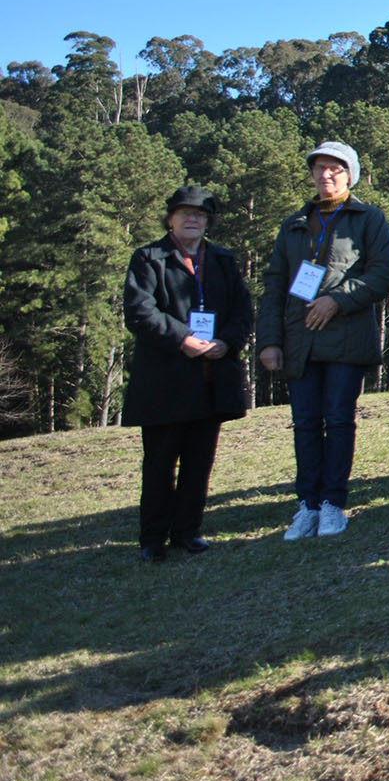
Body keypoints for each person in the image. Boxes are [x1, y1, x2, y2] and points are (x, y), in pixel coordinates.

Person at [258, 142, 389, 539]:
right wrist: (269, 341)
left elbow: (382, 274)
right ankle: (308, 504)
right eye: (319, 169)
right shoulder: (293, 225)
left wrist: (337, 300)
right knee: (304, 423)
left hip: (346, 338)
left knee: (338, 419)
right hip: (299, 340)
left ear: (349, 175)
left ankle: (334, 502)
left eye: (335, 169)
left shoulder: (368, 219)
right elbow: (274, 286)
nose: (326, 176)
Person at [122, 186, 254, 561]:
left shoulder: (223, 260)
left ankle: (187, 531)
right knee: (161, 462)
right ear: (170, 219)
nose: (192, 219)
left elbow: (243, 311)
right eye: (184, 213)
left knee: (200, 461)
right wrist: (184, 340)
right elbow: (140, 312)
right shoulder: (149, 258)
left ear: (207, 222)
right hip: (165, 381)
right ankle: (153, 538)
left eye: (199, 215)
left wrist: (226, 343)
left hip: (211, 378)